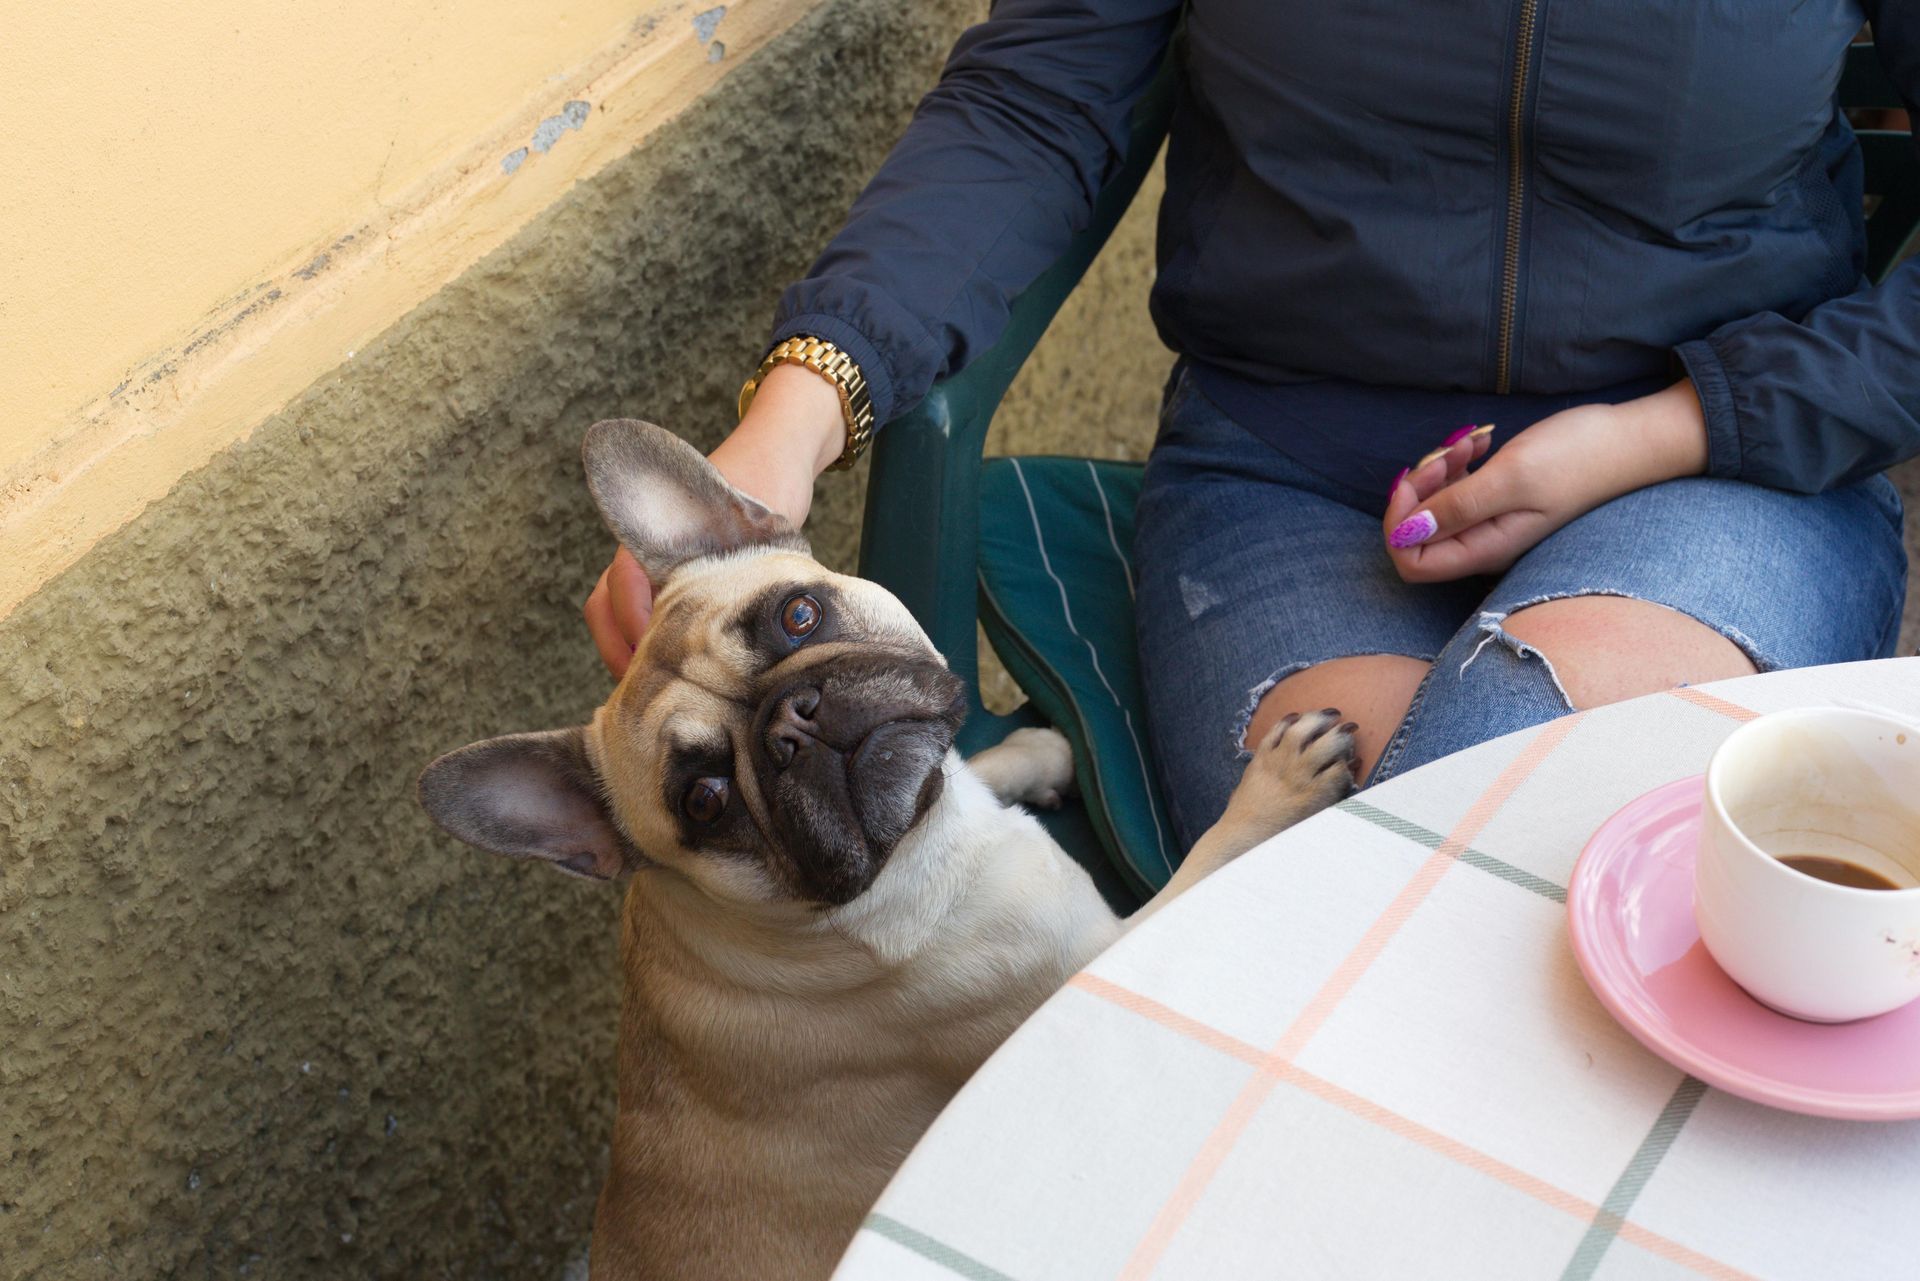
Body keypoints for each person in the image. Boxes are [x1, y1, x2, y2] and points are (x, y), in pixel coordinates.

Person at [587, 3, 1919, 853]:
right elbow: (1033, 108)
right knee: (1370, 850)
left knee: (1511, 793)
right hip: (1291, 478)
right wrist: (788, 425)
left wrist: (1654, 433)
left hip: (1733, 457)